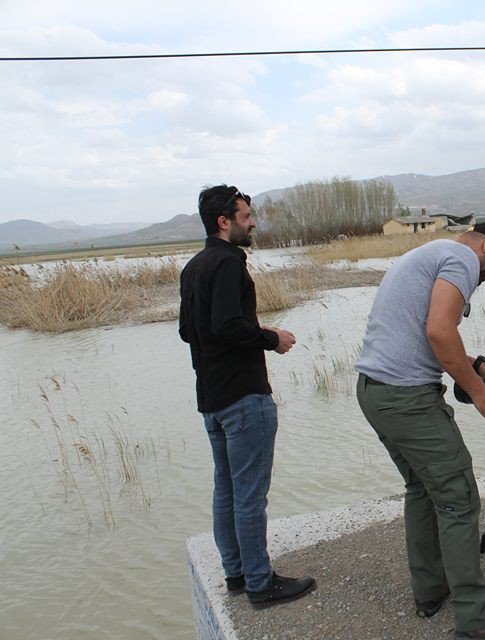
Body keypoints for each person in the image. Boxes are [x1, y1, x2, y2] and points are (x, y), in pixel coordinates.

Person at [354, 223, 485, 640]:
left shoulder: (427, 253)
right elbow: (439, 331)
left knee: (422, 489)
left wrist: (477, 366)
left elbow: (422, 334)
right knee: (458, 496)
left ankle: (430, 590)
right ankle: (477, 620)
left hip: (374, 392)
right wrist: (480, 395)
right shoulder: (460, 258)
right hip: (406, 398)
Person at [179, 185, 316, 609]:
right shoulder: (226, 264)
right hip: (243, 396)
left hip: (212, 399)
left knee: (227, 490)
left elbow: (190, 331)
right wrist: (271, 337)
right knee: (250, 495)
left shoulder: (193, 267)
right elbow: (226, 326)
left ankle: (236, 575)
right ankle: (261, 584)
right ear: (225, 221)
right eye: (246, 216)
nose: (252, 222)